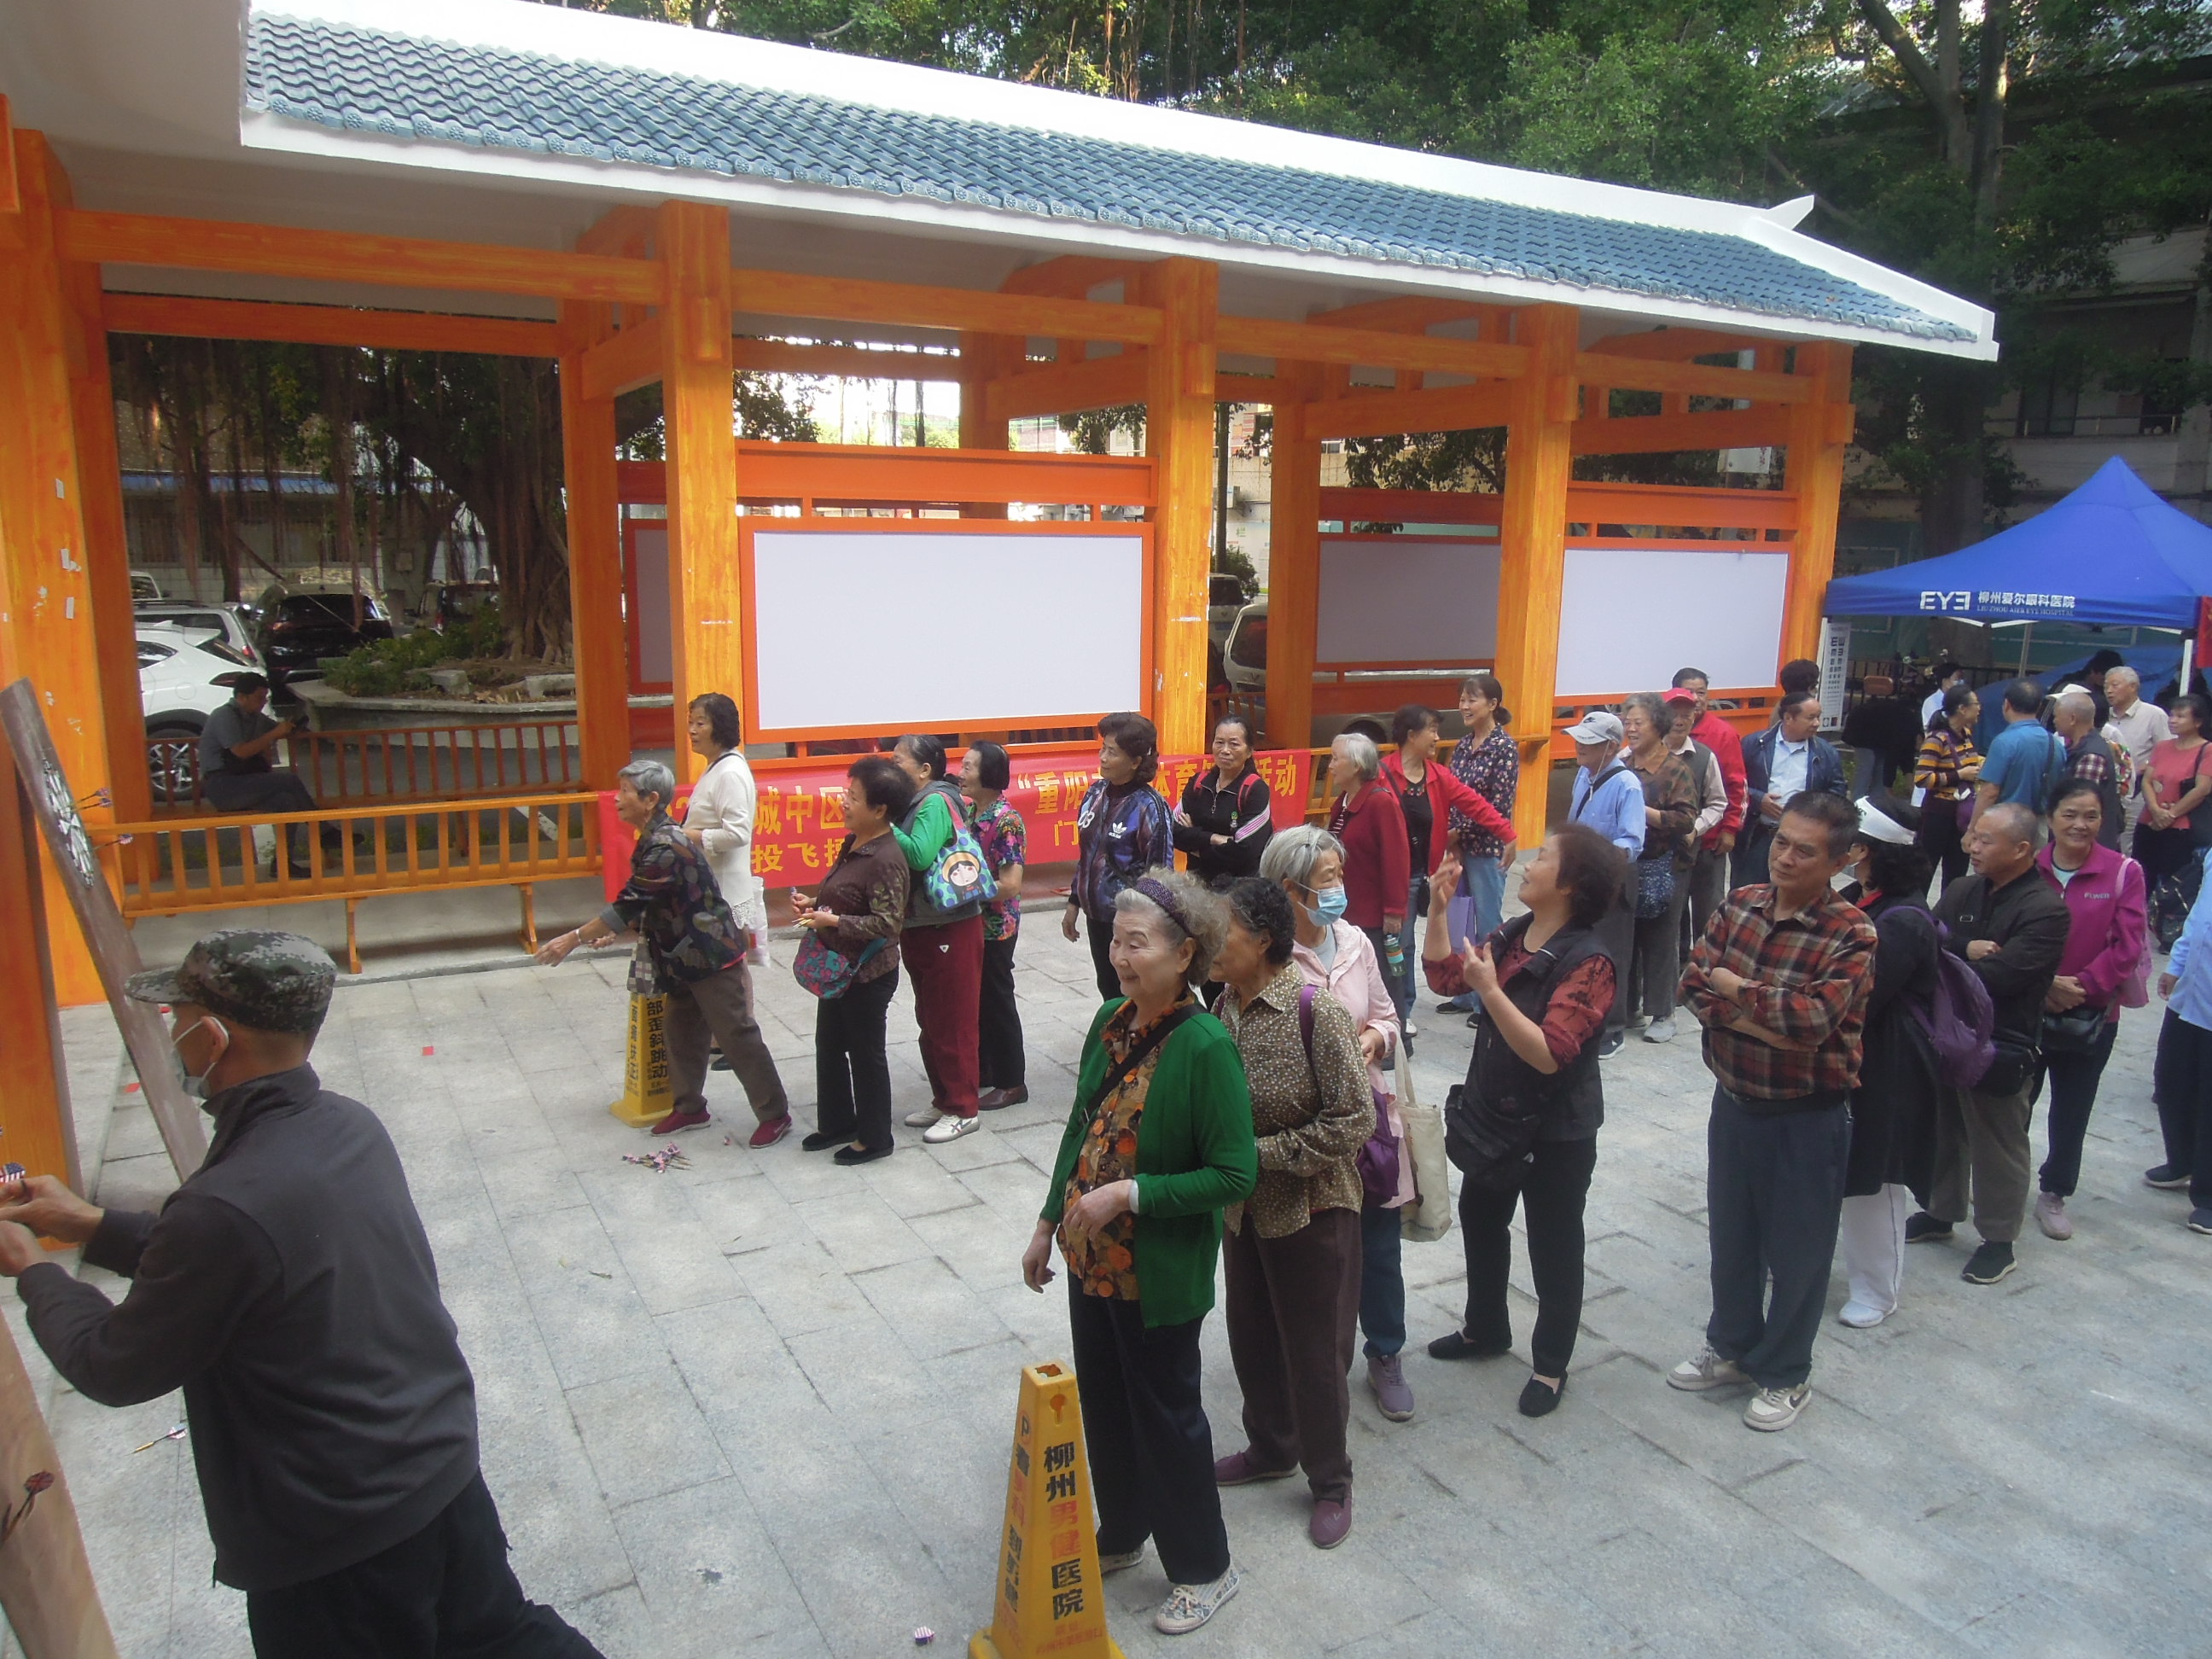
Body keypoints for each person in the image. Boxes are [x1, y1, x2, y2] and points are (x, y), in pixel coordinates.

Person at [0, 930, 603, 1657]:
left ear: (213, 1037)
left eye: (177, 1016)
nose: (171, 1032)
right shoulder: (348, 1125)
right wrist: (90, 1225)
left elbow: (113, 1365)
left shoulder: (224, 1205)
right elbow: (248, 1256)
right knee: (501, 1637)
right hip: (440, 1471)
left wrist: (33, 1269)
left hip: (339, 1536)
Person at [1022, 868, 1255, 1637]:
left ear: (1185, 954)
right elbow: (1079, 1127)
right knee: (1106, 1403)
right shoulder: (1110, 1020)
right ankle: (1123, 1530)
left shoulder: (1206, 1045)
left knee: (1166, 1416)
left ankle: (1204, 1568)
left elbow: (1234, 1174)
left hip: (1155, 1274)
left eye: (1137, 943)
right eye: (1117, 941)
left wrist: (1130, 1194)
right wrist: (1047, 1222)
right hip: (1090, 1262)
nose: (1120, 957)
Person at [1672, 791, 1874, 1433]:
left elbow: (1813, 1022)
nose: (1784, 857)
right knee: (1732, 1236)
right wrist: (1763, 1019)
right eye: (1781, 841)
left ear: (1840, 861)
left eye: (1804, 851)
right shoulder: (1741, 904)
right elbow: (1692, 984)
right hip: (1734, 1100)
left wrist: (1735, 989)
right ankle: (1731, 1347)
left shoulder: (1851, 933)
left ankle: (1786, 1372)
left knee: (1798, 1252)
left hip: (1807, 1115)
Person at [1422, 826, 1623, 1417]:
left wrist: (1490, 992)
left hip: (1556, 1131)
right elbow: (1445, 976)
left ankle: (1551, 1364)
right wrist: (1439, 909)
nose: (1529, 864)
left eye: (1546, 857)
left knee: (1554, 1242)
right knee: (1482, 1218)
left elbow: (1550, 1053)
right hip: (1495, 1112)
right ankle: (1485, 1329)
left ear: (1570, 884)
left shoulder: (1591, 962)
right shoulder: (1514, 933)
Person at [1211, 876, 1375, 1551]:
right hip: (1243, 1211)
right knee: (1250, 1335)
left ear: (1262, 940)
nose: (1208, 943)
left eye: (1222, 931)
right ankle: (1270, 1447)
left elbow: (1355, 1118)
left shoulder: (1315, 1010)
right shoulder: (1222, 1005)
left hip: (1313, 1209)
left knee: (1315, 1354)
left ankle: (1330, 1481)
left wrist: (1259, 1155)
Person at [536, 759, 792, 1144]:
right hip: (680, 957)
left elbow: (628, 903)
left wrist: (573, 938)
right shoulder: (653, 838)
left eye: (625, 791)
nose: (617, 798)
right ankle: (690, 1107)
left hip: (710, 954)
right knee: (680, 1033)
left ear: (650, 799)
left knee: (736, 1034)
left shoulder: (665, 846)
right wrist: (612, 932)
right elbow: (649, 904)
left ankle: (775, 1114)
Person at [1260, 826, 1412, 1423]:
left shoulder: (1353, 942)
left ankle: (1386, 1351)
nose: (1338, 890)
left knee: (1378, 1245)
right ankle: (1306, 1361)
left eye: (1339, 877)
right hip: (1303, 1130)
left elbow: (1387, 1016)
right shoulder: (1267, 957)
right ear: (1289, 889)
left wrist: (1373, 1039)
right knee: (1310, 1251)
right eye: (1327, 880)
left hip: (1365, 1122)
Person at [1912, 804, 2072, 1284]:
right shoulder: (1963, 889)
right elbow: (1924, 941)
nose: (1972, 846)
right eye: (1973, 836)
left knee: (1997, 1141)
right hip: (1945, 1029)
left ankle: (1999, 1239)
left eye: (1985, 840)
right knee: (1943, 1126)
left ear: (2022, 850)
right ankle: (1940, 1211)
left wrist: (1949, 954)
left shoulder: (2046, 909)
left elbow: (2000, 977)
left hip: (2002, 1038)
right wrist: (1964, 948)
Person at [1833, 795, 1943, 1327]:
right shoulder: (1855, 897)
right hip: (1842, 1055)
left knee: (1873, 1179)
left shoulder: (1905, 920)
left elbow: (1863, 999)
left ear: (1863, 850)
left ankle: (1876, 1288)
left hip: (1885, 1064)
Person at [2030, 780, 2148, 1239]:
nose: (2080, 824)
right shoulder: (2029, 866)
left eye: (2091, 816)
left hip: (2091, 1016)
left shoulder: (2123, 872)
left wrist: (2080, 987)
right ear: (2050, 817)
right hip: (2028, 1009)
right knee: (2013, 1102)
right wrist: (2043, 985)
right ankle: (2004, 1177)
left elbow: (2128, 945)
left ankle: (2055, 1191)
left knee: (2072, 1107)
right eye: (2070, 814)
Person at [789, 756, 916, 1165]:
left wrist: (833, 921)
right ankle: (838, 1122)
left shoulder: (887, 858)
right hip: (837, 968)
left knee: (865, 1054)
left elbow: (888, 923)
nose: (844, 802)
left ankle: (875, 1138)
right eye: (847, 793)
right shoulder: (855, 843)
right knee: (829, 1046)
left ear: (879, 810)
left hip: (867, 973)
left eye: (854, 797)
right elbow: (847, 893)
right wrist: (815, 903)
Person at [1380, 703, 1515, 1032]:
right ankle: (1399, 1011)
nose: (1437, 738)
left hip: (1426, 874)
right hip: (1393, 877)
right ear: (1411, 735)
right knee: (1399, 944)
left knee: (1419, 940)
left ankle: (1403, 1007)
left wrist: (1507, 833)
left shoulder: (1438, 776)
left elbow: (1475, 805)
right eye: (1432, 730)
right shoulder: (1382, 774)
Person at [884, 734, 988, 1145]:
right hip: (921, 924)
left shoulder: (935, 802)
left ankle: (964, 1109)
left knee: (952, 1021)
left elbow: (919, 855)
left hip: (950, 925)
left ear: (925, 769)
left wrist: (883, 823)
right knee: (930, 1018)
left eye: (899, 760)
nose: (892, 767)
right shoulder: (912, 803)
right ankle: (944, 1098)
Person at [1065, 713, 1176, 1001]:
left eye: (1112, 752)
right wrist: (1074, 903)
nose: (1102, 757)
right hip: (1096, 917)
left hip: (1129, 922)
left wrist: (1147, 927)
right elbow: (1086, 854)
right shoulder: (1095, 793)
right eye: (1103, 748)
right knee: (1108, 988)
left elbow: (1160, 875)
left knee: (1131, 992)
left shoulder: (1149, 807)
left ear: (1135, 761)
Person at [196, 673, 339, 875]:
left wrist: (293, 727)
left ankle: (283, 864)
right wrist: (274, 734)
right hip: (223, 786)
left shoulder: (255, 717)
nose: (263, 702)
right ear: (241, 697)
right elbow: (240, 751)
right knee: (289, 780)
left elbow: (279, 730)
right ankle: (323, 831)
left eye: (265, 697)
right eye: (259, 698)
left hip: (245, 783)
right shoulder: (224, 716)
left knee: (286, 802)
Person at [1562, 711, 1643, 1057]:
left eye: (1589, 742)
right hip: (1581, 873)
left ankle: (1613, 1028)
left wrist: (1600, 858)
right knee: (1581, 950)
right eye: (1579, 739)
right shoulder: (1583, 774)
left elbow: (1632, 841)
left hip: (1612, 876)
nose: (1579, 746)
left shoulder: (1627, 785)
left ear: (1610, 747)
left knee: (1612, 954)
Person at [1439, 672, 1521, 1014]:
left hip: (1487, 850)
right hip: (1459, 848)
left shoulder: (1504, 748)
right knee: (1460, 920)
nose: (1464, 706)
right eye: (1462, 699)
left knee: (1488, 924)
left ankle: (1489, 1003)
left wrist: (1459, 833)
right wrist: (1452, 839)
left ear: (1492, 704)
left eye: (1472, 699)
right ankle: (1464, 992)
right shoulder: (1462, 745)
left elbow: (1497, 805)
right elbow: (1450, 795)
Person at [1619, 691, 1699, 1045]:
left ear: (1658, 725)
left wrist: (1643, 812)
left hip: (1666, 865)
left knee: (1661, 940)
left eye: (1639, 722)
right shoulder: (1622, 763)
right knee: (1627, 937)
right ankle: (1628, 1007)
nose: (1631, 729)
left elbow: (1686, 819)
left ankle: (1663, 1013)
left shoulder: (1675, 769)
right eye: (1628, 722)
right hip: (1629, 864)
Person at [958, 741, 1029, 1110]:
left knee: (998, 999)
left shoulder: (1006, 820)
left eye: (968, 767)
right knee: (980, 998)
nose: (960, 773)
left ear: (988, 774)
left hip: (997, 925)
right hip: (974, 922)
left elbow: (1011, 884)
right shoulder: (971, 812)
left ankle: (1012, 1082)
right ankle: (986, 1069)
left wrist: (963, 890)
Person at [682, 691, 771, 970]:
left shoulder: (729, 773)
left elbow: (737, 833)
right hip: (712, 889)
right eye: (691, 722)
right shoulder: (718, 766)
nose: (692, 730)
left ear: (720, 727)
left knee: (728, 977)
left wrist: (690, 836)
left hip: (724, 894)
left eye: (701, 723)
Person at [1324, 731, 1412, 1004]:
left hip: (1373, 917)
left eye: (1336, 759)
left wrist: (1394, 911)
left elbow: (1397, 860)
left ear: (1357, 766)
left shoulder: (1381, 803)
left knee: (1384, 981)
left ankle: (1395, 1030)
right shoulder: (1344, 800)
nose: (1330, 765)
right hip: (1346, 910)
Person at [2149, 869, 2212, 1235]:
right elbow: (2199, 917)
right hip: (2192, 992)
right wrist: (2176, 965)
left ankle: (2209, 1195)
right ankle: (2183, 1160)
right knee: (2172, 1081)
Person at [1672, 668, 1749, 957]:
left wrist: (1730, 829)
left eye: (1701, 693)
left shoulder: (1723, 734)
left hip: (1711, 841)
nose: (1696, 699)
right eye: (1690, 692)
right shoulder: (1663, 730)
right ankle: (1679, 958)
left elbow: (1736, 785)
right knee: (1674, 907)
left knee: (1708, 906)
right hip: (1674, 842)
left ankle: (1707, 962)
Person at [1738, 691, 1848, 891]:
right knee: (1751, 893)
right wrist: (1758, 799)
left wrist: (1812, 809)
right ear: (1788, 718)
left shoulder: (1826, 752)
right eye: (1811, 717)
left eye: (1818, 717)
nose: (1816, 723)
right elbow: (1736, 783)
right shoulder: (1755, 744)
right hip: (1759, 834)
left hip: (1805, 839)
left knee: (1801, 893)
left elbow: (1837, 793)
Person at [2136, 692, 2212, 946]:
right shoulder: (2163, 747)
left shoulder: (2206, 750)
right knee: (2142, 875)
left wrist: (2170, 814)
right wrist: (2155, 809)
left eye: (2181, 716)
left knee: (2173, 880)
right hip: (2149, 821)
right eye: (2172, 715)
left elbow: (2201, 789)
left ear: (2198, 721)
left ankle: (2168, 932)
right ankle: (2135, 927)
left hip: (2180, 827)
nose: (2173, 720)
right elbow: (2148, 780)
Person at [1173, 714, 1274, 888]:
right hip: (1197, 886)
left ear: (1249, 751)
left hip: (1239, 888)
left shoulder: (1255, 790)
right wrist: (1215, 838)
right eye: (1219, 742)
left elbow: (1245, 850)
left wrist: (1195, 841)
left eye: (1234, 744)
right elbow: (1173, 830)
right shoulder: (1199, 782)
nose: (1225, 750)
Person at [1915, 684, 1984, 888]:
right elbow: (1922, 778)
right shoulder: (1937, 739)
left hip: (1962, 814)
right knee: (1925, 870)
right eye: (1976, 704)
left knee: (1956, 873)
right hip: (1937, 814)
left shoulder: (1966, 734)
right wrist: (1959, 775)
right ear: (1962, 709)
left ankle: (1950, 907)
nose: (1979, 708)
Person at [2103, 664, 2170, 844]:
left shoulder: (2153, 714)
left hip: (2139, 788)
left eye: (2114, 685)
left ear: (2133, 686)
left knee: (2127, 840)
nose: (2109, 691)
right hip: (2108, 788)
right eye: (2106, 686)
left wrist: (2145, 767)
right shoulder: (2103, 716)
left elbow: (2168, 752)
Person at [1976, 678, 2063, 816]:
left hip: (2004, 821)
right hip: (2041, 822)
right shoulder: (2056, 743)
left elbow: (1989, 792)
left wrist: (1974, 826)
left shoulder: (2004, 742)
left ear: (2007, 704)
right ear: (2039, 707)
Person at [2052, 691, 2125, 851]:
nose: (2054, 721)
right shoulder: (2079, 747)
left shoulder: (2091, 755)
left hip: (2084, 847)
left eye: (2057, 716)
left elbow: (2079, 806)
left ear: (2072, 719)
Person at [1920, 661, 1967, 731]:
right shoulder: (1932, 702)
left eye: (1962, 678)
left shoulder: (1961, 700)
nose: (1962, 682)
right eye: (1958, 679)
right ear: (1945, 681)